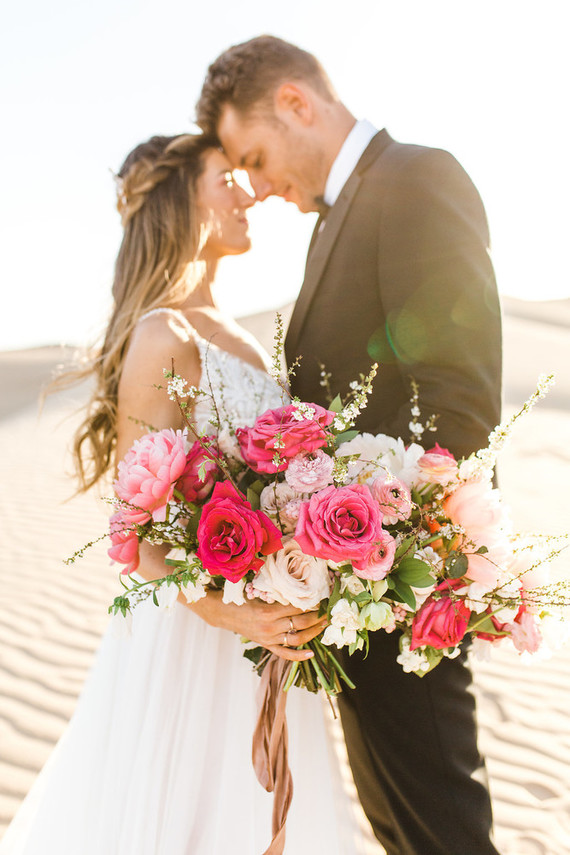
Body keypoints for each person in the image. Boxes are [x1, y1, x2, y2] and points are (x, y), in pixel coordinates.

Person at [0, 133, 363, 854]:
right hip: (196, 641)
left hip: (269, 636)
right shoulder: (161, 334)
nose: (246, 192)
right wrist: (236, 617)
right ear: (180, 201)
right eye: (225, 178)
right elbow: (133, 533)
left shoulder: (249, 341)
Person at [196, 35, 503, 855]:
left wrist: (401, 572)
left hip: (404, 600)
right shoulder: (344, 212)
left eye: (256, 159)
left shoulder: (415, 181)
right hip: (351, 607)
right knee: (406, 835)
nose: (256, 189)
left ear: (298, 102)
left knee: (445, 837)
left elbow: (461, 403)